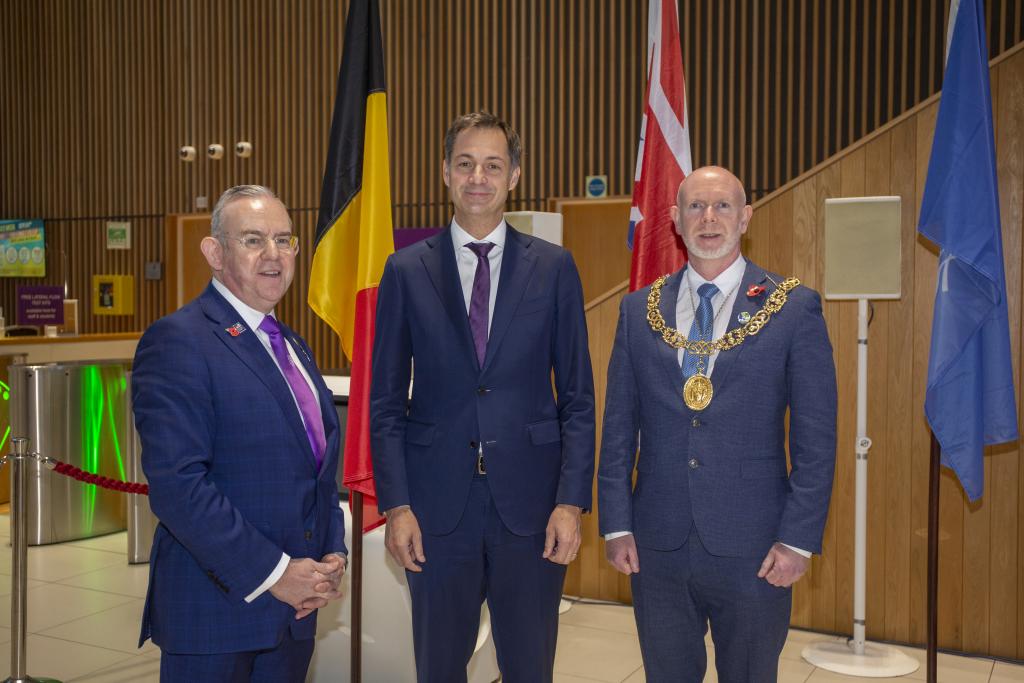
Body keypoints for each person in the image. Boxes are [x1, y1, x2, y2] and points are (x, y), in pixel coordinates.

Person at [370, 111, 595, 682]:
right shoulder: (404, 271)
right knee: (439, 668)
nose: (478, 177)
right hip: (435, 509)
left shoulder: (555, 268)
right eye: (465, 164)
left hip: (533, 507)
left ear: (514, 176)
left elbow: (577, 398)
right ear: (445, 172)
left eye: (492, 165)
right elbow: (387, 404)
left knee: (528, 667)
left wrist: (570, 501)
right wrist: (396, 506)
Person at [597, 166, 837, 683]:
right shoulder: (639, 310)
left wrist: (797, 540)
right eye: (695, 207)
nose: (709, 219)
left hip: (756, 547)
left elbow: (816, 442)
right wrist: (617, 522)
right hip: (657, 544)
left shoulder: (792, 307)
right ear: (674, 220)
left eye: (723, 206)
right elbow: (618, 427)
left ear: (746, 217)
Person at [132, 185, 347, 681]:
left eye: (284, 239)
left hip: (294, 616)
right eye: (253, 240)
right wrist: (277, 574)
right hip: (219, 614)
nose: (274, 255)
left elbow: (316, 467)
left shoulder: (292, 344)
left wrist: (332, 552)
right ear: (215, 252)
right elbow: (179, 488)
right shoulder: (178, 341)